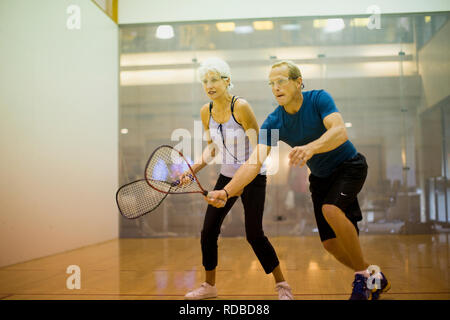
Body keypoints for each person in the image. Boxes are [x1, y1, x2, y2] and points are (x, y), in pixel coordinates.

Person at [206, 60, 391, 300]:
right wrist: (227, 191)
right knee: (330, 245)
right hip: (321, 178)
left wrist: (311, 148)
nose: (276, 87)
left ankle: (362, 280)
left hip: (349, 166)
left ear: (298, 82)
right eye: (271, 84)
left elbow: (339, 131)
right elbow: (254, 162)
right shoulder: (274, 122)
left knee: (331, 210)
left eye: (281, 81)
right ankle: (373, 277)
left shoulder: (318, 99)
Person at [181, 57, 293, 300]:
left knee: (254, 234)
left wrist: (237, 186)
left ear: (227, 81)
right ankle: (209, 286)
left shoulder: (240, 107)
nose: (209, 85)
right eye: (204, 81)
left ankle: (282, 286)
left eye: (214, 79)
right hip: (226, 176)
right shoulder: (206, 111)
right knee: (208, 231)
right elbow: (212, 149)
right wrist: (192, 170)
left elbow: (257, 150)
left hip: (252, 177)